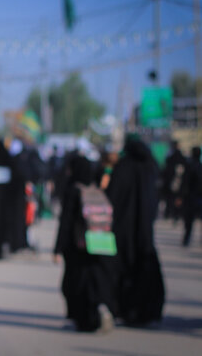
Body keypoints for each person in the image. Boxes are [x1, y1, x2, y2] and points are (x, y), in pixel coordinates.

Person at [53, 154, 118, 332]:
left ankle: (84, 320)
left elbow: (65, 222)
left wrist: (58, 248)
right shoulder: (98, 189)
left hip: (77, 246)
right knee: (97, 281)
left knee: (76, 284)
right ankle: (101, 309)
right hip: (99, 243)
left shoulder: (73, 190)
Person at [106, 135, 164, 326]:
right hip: (145, 230)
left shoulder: (124, 167)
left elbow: (112, 196)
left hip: (124, 229)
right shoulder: (150, 167)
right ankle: (146, 311)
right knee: (145, 266)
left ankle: (125, 309)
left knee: (124, 266)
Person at [183, 146, 202, 246]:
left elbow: (185, 183)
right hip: (198, 198)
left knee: (189, 221)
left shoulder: (189, 166)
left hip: (190, 198)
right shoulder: (199, 166)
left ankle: (186, 239)